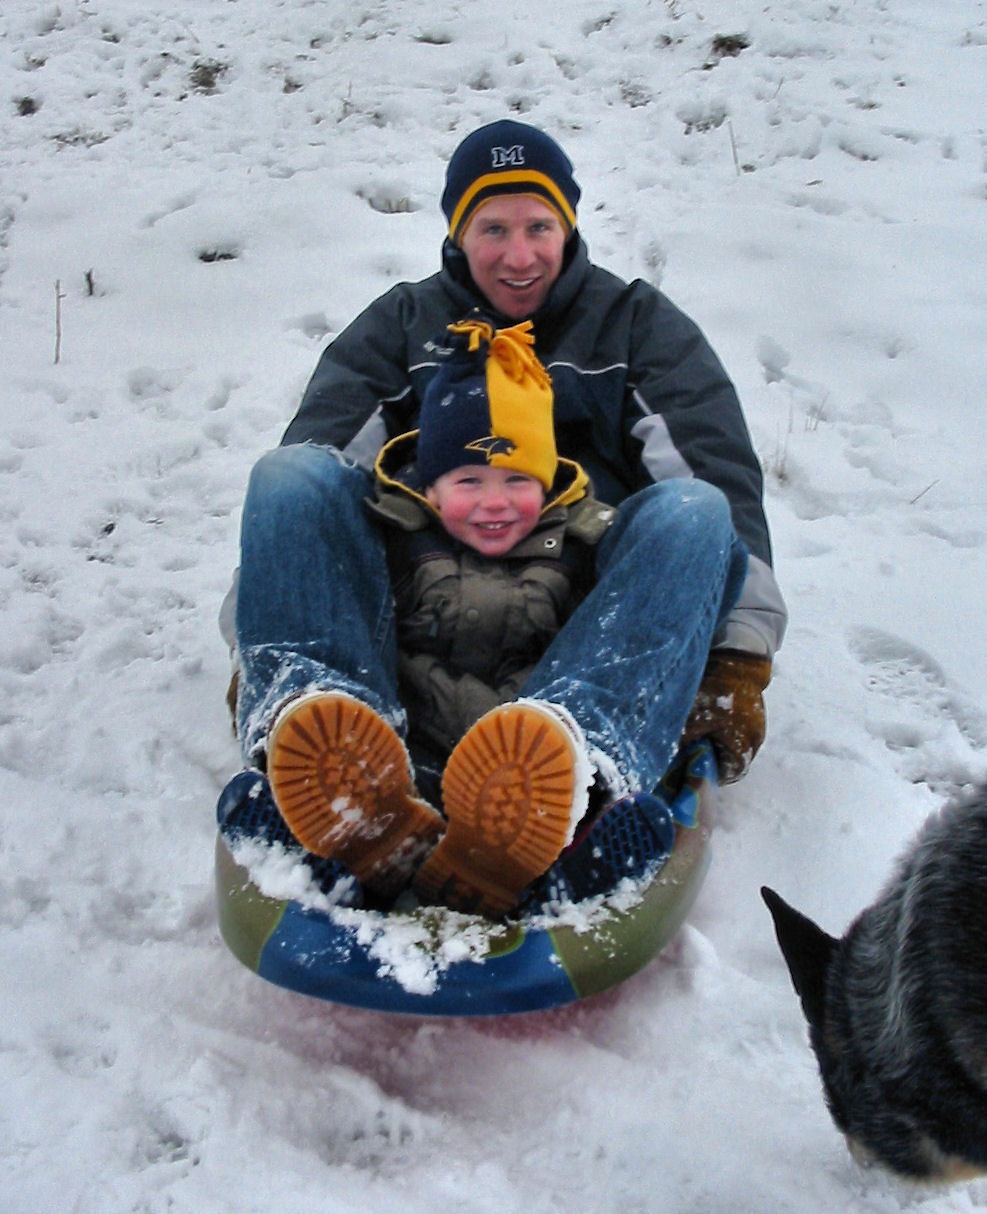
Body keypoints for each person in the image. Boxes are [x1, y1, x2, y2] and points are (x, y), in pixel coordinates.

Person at [218, 118, 787, 917]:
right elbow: (312, 481)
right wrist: (263, 631)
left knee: (695, 512)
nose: (519, 256)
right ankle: (325, 749)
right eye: (493, 229)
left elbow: (711, 469)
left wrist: (736, 654)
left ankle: (569, 776)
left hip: (579, 620)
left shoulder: (633, 327)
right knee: (287, 476)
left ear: (569, 226)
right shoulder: (403, 325)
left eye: (538, 227)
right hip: (416, 609)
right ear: (457, 231)